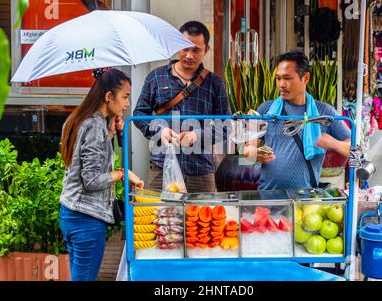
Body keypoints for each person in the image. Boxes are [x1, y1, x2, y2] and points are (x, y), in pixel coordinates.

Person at [59, 68, 144, 281]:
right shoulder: (94, 126)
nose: (126, 104)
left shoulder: (77, 119)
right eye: (124, 97)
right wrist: (122, 174)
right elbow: (92, 180)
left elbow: (84, 161)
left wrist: (113, 132)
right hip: (86, 220)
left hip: (70, 214)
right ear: (108, 96)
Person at [133, 20, 231, 193]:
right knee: (158, 217)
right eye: (185, 48)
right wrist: (159, 130)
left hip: (200, 171)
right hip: (161, 167)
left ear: (206, 50)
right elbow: (139, 114)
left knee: (202, 219)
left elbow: (226, 126)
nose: (189, 55)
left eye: (196, 50)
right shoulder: (155, 77)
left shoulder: (215, 84)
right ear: (176, 45)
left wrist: (197, 135)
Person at [244, 50, 351, 190]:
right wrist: (256, 154)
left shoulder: (324, 112)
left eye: (287, 78)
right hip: (268, 195)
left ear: (305, 78)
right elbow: (247, 150)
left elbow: (353, 146)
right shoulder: (266, 110)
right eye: (278, 78)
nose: (281, 84)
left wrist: (333, 143)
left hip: (306, 200)